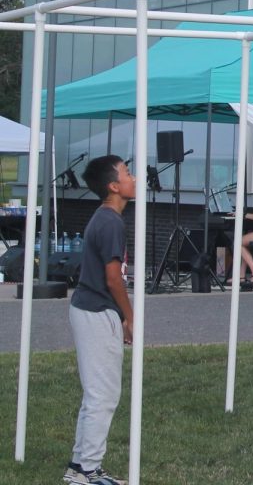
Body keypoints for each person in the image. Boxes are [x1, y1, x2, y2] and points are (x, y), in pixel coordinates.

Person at [63, 155, 135, 485]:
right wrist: (129, 317)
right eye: (127, 173)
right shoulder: (110, 222)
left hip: (91, 310)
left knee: (97, 393)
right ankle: (87, 471)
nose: (133, 177)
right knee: (103, 395)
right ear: (113, 186)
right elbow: (113, 279)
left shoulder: (108, 219)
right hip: (96, 311)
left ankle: (81, 466)